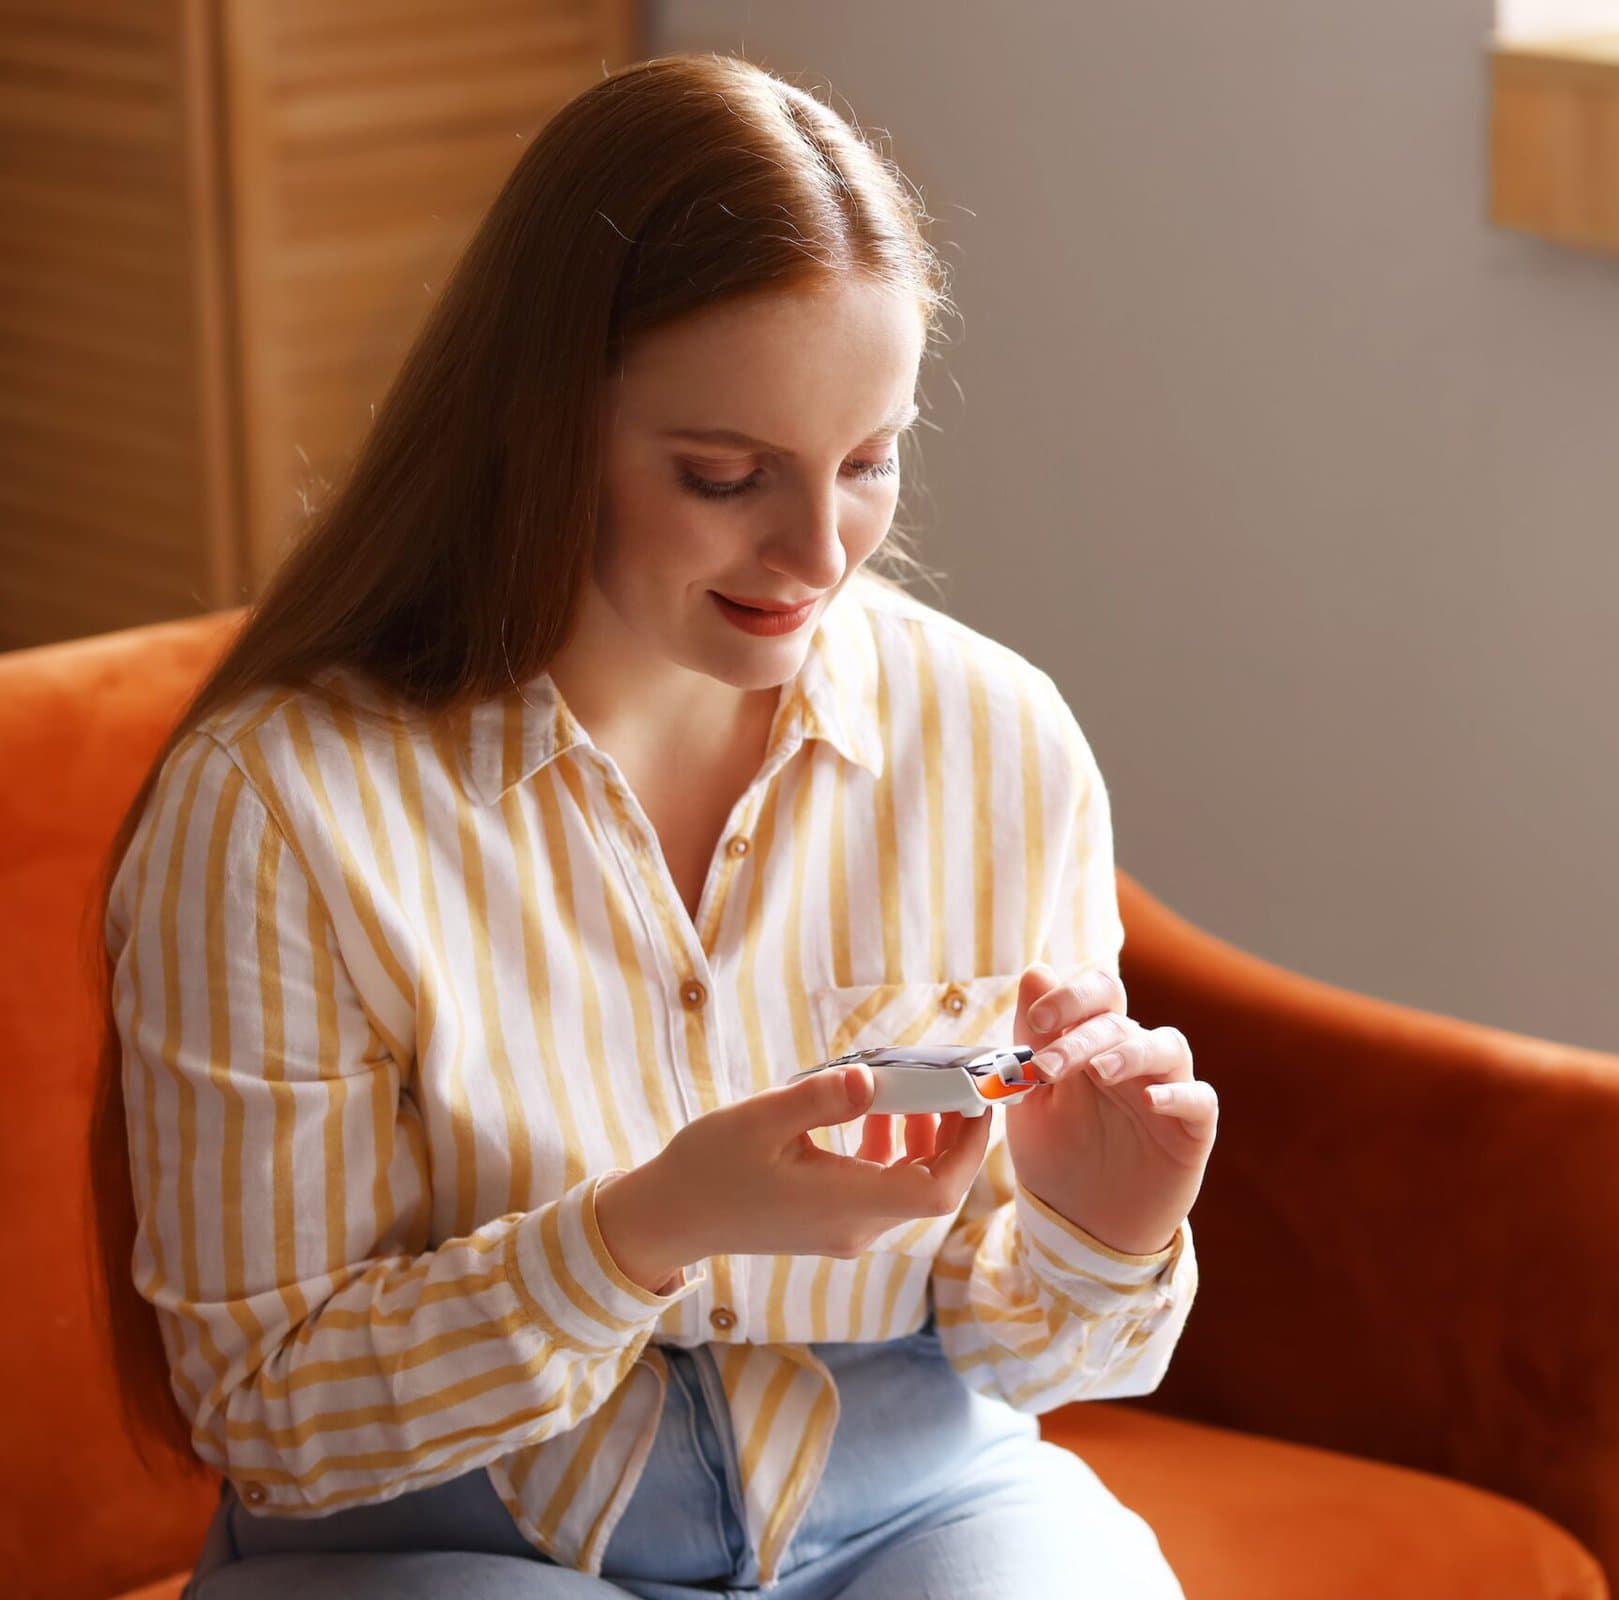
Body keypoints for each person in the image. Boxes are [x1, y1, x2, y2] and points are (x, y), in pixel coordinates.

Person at [93, 51, 1216, 1600]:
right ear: (543, 430)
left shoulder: (995, 741)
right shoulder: (281, 812)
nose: (819, 551)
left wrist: (1102, 1229)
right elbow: (268, 1408)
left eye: (869, 462)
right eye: (724, 475)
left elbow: (1031, 1350)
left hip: (914, 1499)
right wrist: (642, 1229)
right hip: (442, 1530)